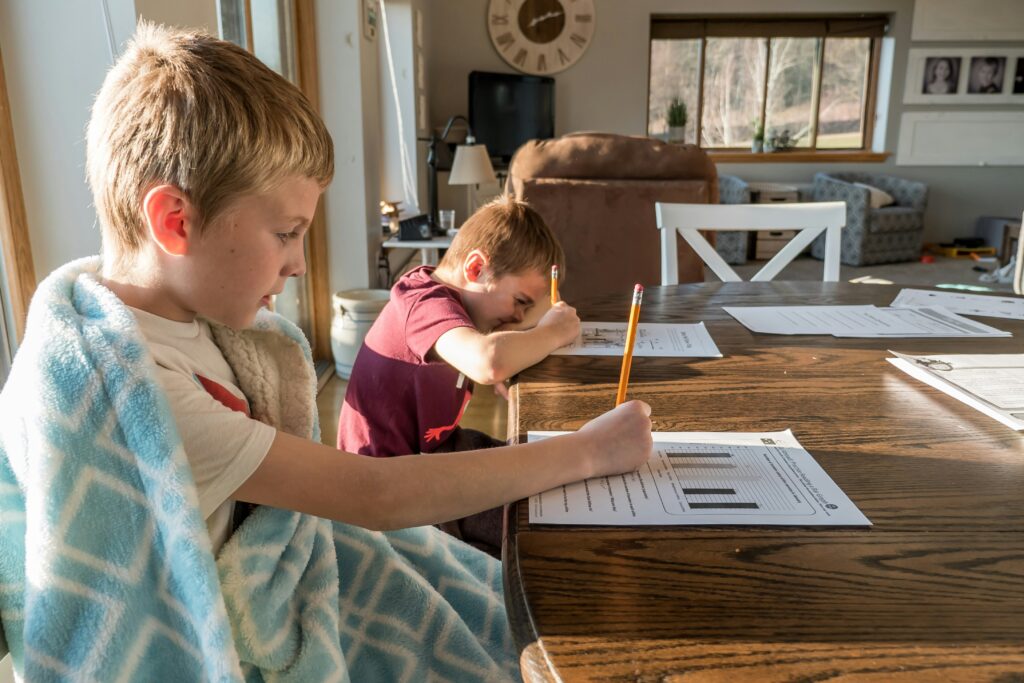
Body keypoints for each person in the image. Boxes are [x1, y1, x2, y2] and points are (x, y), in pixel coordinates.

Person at [0, 23, 652, 681]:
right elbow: (373, 493)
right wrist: (589, 450)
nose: (296, 263)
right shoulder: (139, 392)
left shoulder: (184, 321)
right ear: (175, 221)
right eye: (286, 233)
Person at [338, 195, 580, 554]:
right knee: (534, 524)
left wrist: (523, 343)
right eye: (520, 302)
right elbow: (489, 361)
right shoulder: (422, 302)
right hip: (388, 492)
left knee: (544, 477)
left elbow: (492, 358)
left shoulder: (459, 308)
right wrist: (551, 333)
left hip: (434, 454)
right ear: (475, 268)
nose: (519, 319)